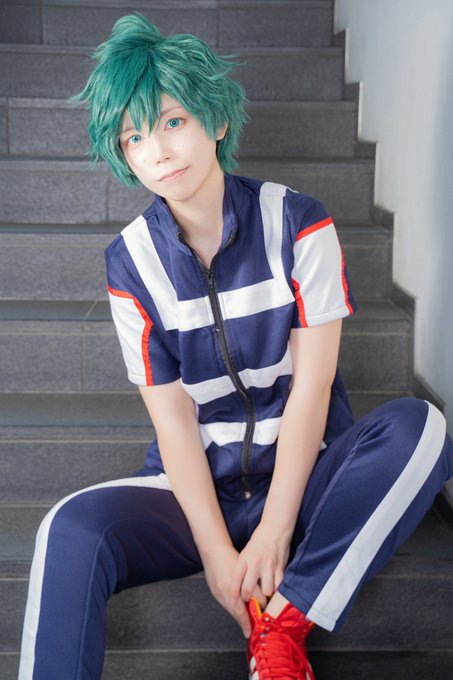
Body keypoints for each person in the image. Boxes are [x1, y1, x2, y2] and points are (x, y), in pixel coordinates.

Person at [18, 13, 453, 680]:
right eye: (133, 136)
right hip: (196, 490)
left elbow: (311, 388)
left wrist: (276, 528)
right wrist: (218, 555)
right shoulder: (129, 265)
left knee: (422, 427)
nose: (157, 151)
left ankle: (284, 623)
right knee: (68, 528)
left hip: (305, 481)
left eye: (172, 121)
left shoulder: (298, 223)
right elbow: (173, 423)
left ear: (216, 121)